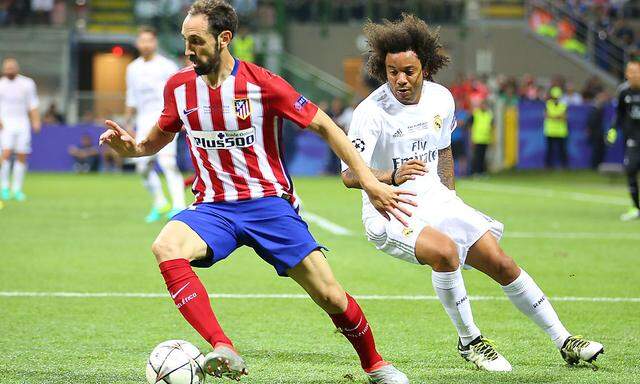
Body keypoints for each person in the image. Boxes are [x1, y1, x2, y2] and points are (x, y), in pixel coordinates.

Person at [100, 1, 413, 383]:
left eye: (196, 41)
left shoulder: (262, 84)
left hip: (269, 205)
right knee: (166, 246)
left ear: (224, 39)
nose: (187, 50)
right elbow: (152, 142)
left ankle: (375, 364)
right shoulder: (179, 87)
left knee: (330, 296)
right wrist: (130, 149)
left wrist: (367, 179)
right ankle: (222, 346)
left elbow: (326, 126)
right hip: (213, 208)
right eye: (185, 41)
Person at [342, 14, 603, 372]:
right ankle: (471, 342)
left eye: (408, 71)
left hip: (435, 198)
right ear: (383, 69)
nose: (400, 80)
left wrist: (449, 198)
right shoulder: (371, 112)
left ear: (425, 66)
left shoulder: (441, 99)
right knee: (446, 253)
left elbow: (444, 150)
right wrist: (391, 175)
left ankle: (564, 340)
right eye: (392, 72)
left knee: (501, 262)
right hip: (390, 208)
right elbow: (348, 174)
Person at [125, 26, 187, 222]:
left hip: (166, 118)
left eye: (149, 40)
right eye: (142, 41)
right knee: (141, 165)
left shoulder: (167, 66)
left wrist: (183, 117)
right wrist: (128, 121)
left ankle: (179, 206)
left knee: (167, 162)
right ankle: (160, 203)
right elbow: (131, 97)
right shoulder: (132, 68)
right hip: (143, 120)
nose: (146, 44)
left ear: (155, 43)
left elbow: (180, 92)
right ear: (137, 43)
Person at [0, 57, 41, 202]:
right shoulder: (1, 85)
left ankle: (17, 190)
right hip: (5, 123)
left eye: (12, 68)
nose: (9, 70)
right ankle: (4, 187)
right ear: (3, 70)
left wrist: (36, 121)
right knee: (5, 154)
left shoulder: (27, 83)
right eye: (7, 68)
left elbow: (33, 104)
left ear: (17, 68)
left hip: (22, 123)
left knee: (22, 155)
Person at [607, 59, 640, 221]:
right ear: (626, 74)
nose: (634, 75)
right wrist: (613, 130)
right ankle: (635, 207)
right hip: (633, 139)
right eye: (631, 72)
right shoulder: (623, 92)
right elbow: (619, 114)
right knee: (631, 169)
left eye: (637, 72)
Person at [544, 86, 569, 169]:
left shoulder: (563, 105)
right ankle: (548, 166)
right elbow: (546, 116)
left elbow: (565, 117)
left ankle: (564, 166)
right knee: (550, 150)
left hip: (561, 131)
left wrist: (553, 116)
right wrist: (558, 117)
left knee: (562, 150)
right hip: (550, 131)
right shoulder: (548, 104)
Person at [467, 100, 493, 176]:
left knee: (483, 156)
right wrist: (470, 138)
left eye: (485, 105)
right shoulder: (475, 114)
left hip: (486, 139)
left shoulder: (489, 115)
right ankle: (475, 172)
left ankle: (482, 172)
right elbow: (470, 126)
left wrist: (492, 138)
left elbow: (491, 127)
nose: (484, 106)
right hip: (477, 139)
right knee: (476, 156)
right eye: (483, 105)